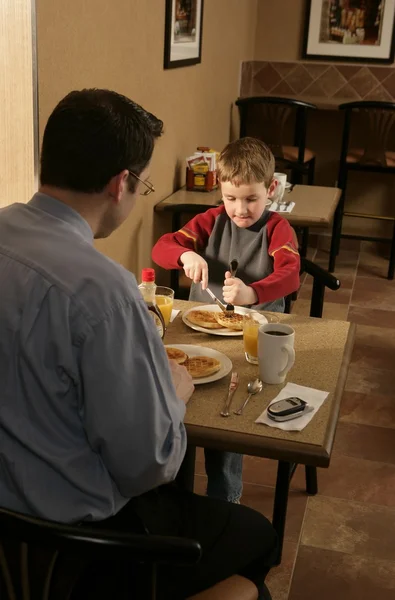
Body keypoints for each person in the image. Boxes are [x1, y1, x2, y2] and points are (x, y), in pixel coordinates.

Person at [0, 90, 277, 600]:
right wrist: (174, 392)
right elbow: (150, 464)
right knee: (259, 538)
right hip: (77, 547)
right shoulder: (103, 292)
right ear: (120, 183)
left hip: (8, 532)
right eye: (141, 183)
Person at [152, 137, 300, 504]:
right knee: (184, 415)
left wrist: (253, 293)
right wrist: (185, 255)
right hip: (201, 333)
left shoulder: (276, 228)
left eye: (251, 199)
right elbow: (162, 247)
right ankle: (178, 501)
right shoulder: (211, 220)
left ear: (271, 189)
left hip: (252, 343)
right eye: (231, 198)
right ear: (220, 189)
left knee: (227, 421)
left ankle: (225, 501)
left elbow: (291, 273)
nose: (240, 209)